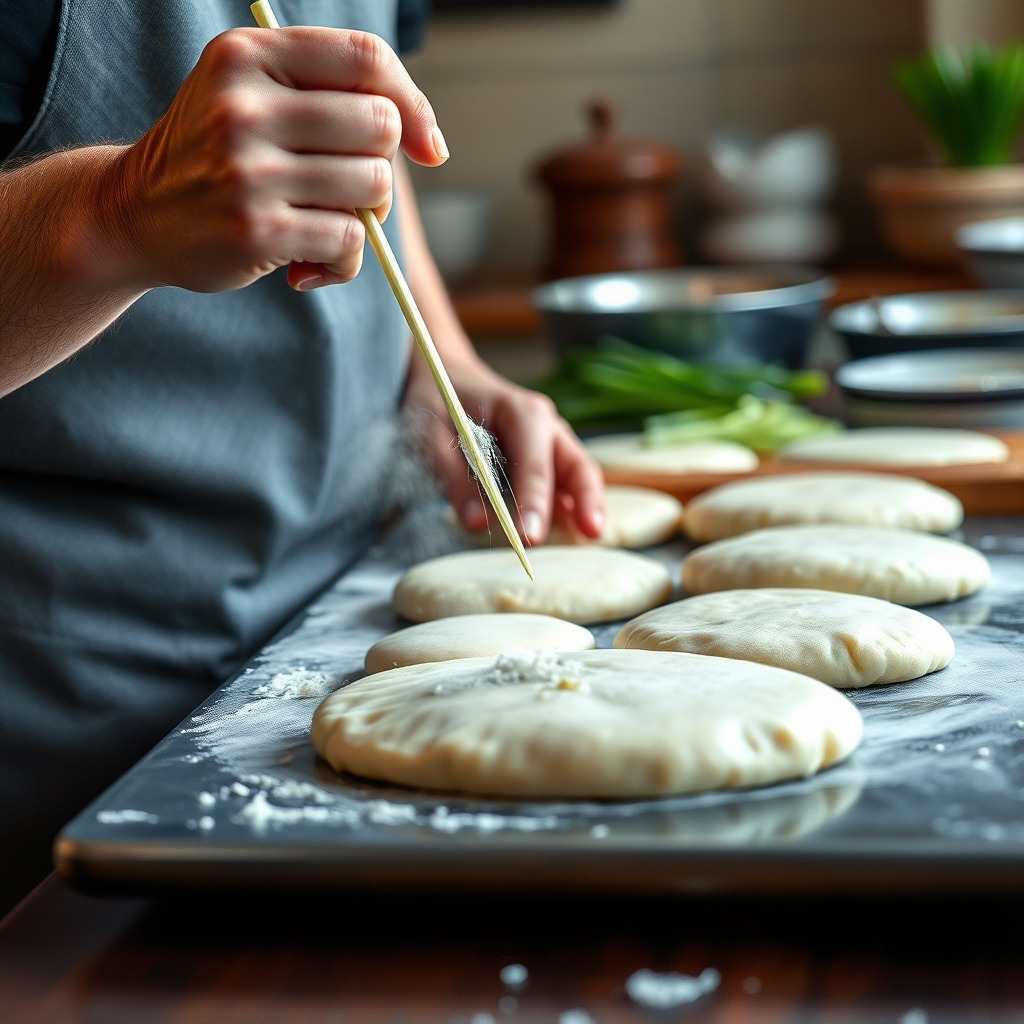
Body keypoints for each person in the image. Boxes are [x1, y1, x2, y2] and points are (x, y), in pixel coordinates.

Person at [0, 0, 605, 917]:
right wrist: (116, 210)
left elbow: (364, 152)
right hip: (73, 728)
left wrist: (444, 369)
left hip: (345, 614)